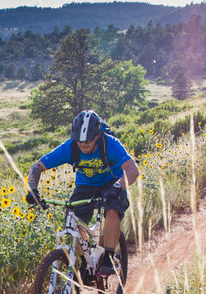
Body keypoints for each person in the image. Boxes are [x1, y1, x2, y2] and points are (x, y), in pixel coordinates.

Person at [26, 109, 140, 280]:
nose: (83, 145)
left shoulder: (110, 144)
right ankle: (85, 260)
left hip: (112, 182)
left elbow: (133, 170)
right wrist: (33, 191)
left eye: (88, 142)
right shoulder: (70, 147)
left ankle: (108, 256)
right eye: (80, 142)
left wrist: (117, 187)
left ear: (98, 136)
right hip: (86, 185)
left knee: (112, 209)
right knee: (72, 221)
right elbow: (36, 167)